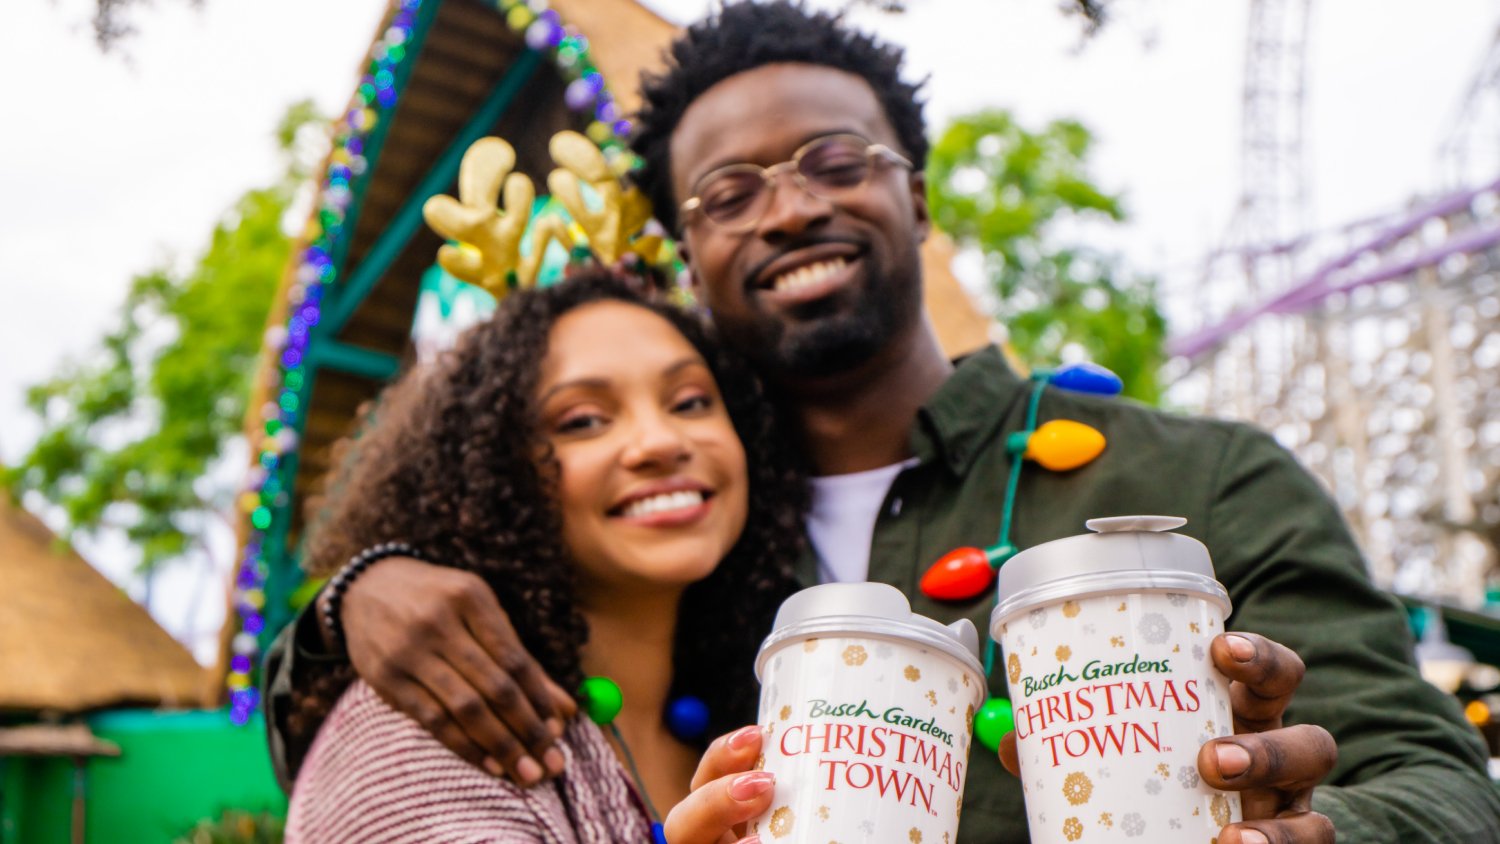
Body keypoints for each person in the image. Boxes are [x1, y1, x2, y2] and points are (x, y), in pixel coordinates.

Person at [264, 3, 1500, 842]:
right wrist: (344, 605)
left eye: (836, 161)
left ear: (917, 194)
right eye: (729, 192)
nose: (789, 208)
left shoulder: (1196, 478)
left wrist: (1313, 827)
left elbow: (1438, 780)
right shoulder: (690, 550)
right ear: (688, 251)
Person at [278, 271, 805, 841]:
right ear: (493, 471)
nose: (660, 441)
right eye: (584, 421)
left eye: (691, 402)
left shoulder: (765, 713)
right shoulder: (432, 728)